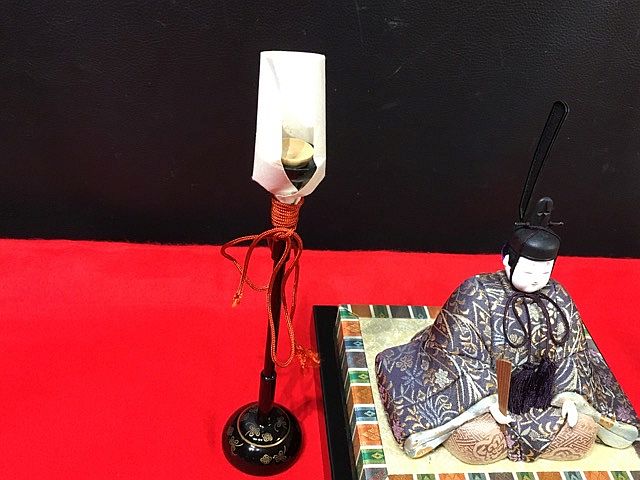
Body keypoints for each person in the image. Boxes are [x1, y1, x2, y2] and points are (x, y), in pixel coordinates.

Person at [375, 198, 639, 463]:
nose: (536, 279)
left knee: (581, 432)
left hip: (544, 397)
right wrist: (490, 400)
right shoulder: (476, 292)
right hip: (486, 395)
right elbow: (454, 352)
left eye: (545, 272)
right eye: (529, 271)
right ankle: (486, 426)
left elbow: (572, 353)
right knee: (478, 439)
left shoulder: (558, 295)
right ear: (507, 261)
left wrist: (569, 398)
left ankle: (524, 433)